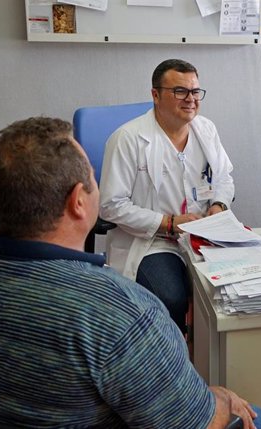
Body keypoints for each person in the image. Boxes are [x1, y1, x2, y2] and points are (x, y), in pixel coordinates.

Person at [0, 117, 261, 429]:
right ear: (78, 202)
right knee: (260, 418)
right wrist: (222, 399)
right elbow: (193, 423)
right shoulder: (125, 313)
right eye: (93, 178)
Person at [100, 59, 234, 334]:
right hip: (153, 240)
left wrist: (219, 205)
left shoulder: (205, 129)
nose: (191, 100)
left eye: (196, 92)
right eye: (180, 91)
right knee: (170, 295)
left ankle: (208, 357)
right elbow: (110, 206)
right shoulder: (128, 138)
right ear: (155, 94)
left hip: (203, 235)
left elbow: (224, 177)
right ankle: (168, 358)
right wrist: (169, 223)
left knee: (234, 291)